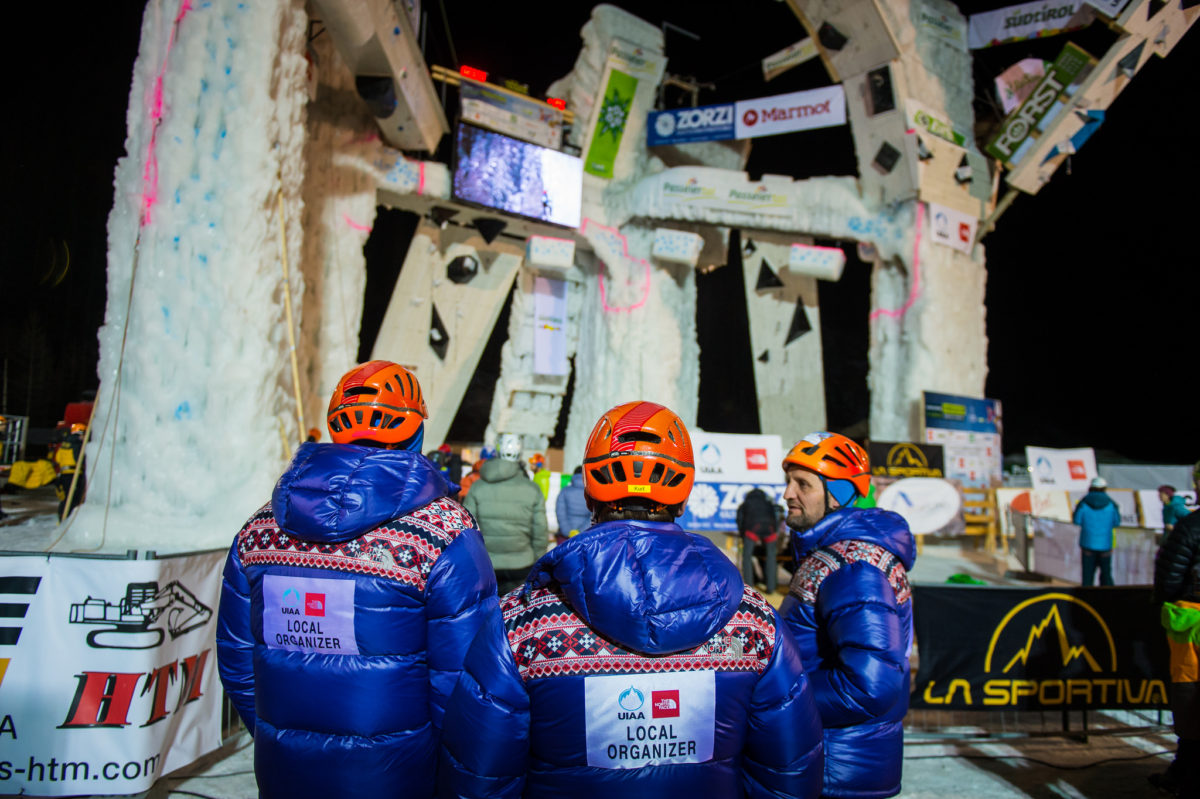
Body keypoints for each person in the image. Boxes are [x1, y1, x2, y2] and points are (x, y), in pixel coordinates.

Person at [438, 401, 824, 799]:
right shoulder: (755, 622)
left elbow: (477, 777)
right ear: (684, 493)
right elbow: (790, 772)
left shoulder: (522, 623)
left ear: (590, 492)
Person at [216, 360, 499, 799]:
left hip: (285, 774)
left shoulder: (260, 531)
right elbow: (466, 681)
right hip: (402, 778)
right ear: (415, 429)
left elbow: (237, 664)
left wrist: (286, 739)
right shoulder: (445, 532)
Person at [777, 431, 916, 799]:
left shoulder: (854, 567)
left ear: (837, 494)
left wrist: (776, 703)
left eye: (803, 484)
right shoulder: (836, 555)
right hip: (830, 759)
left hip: (839, 770)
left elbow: (869, 686)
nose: (788, 493)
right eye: (788, 481)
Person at [1151, 463, 1200, 798]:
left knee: (1190, 701)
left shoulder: (1190, 527)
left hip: (1191, 624)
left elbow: (1168, 578)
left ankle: (1188, 773)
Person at [462, 432, 548, 593]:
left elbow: (467, 527)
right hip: (521, 563)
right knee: (515, 614)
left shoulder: (478, 487)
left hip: (485, 563)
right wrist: (537, 558)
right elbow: (540, 530)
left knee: (486, 614)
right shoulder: (532, 489)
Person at [1073, 476, 1120, 586]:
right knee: (1106, 575)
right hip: (1105, 545)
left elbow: (1077, 520)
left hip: (1088, 544)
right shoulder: (1111, 504)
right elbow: (1116, 522)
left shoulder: (1083, 503)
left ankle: (1086, 599)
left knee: (1087, 576)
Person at [736, 486, 783, 593]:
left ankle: (749, 586)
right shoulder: (768, 503)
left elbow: (739, 519)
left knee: (747, 557)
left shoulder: (745, 504)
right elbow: (775, 517)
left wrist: (742, 534)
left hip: (752, 528)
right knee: (771, 557)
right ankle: (771, 587)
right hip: (770, 528)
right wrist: (774, 530)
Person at [554, 465, 590, 545]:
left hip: (565, 536)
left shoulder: (565, 491)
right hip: (584, 536)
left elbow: (560, 513)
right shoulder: (590, 493)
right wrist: (580, 531)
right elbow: (593, 514)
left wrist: (568, 531)